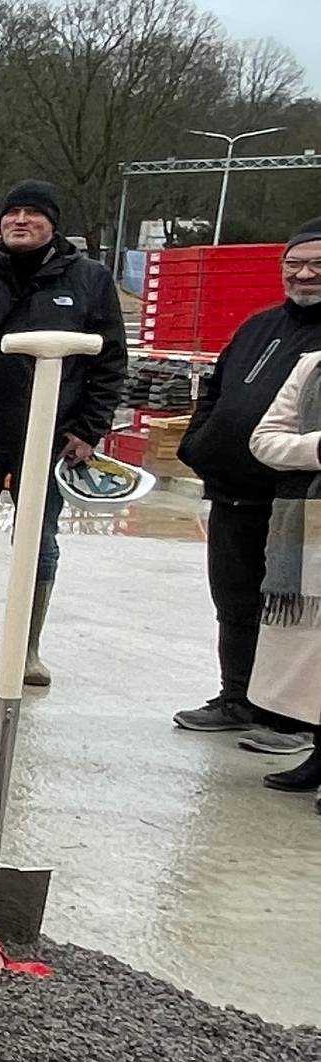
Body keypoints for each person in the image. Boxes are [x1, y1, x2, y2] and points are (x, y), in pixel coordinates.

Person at [0, 180, 126, 687]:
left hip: (52, 438)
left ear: (53, 223)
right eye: (12, 212)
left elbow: (109, 363)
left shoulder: (89, 280)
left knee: (38, 542)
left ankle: (25, 650)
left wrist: (89, 429)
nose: (21, 220)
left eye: (33, 213)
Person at [175, 219, 321, 757]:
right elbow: (216, 390)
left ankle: (293, 719)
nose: (303, 275)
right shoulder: (259, 326)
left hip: (299, 502)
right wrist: (199, 443)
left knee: (296, 613)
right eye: (294, 265)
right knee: (234, 600)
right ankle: (238, 695)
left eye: (317, 266)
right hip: (232, 490)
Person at [243, 331, 321, 797]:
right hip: (311, 526)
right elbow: (265, 439)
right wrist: (315, 449)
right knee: (313, 651)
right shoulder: (312, 366)